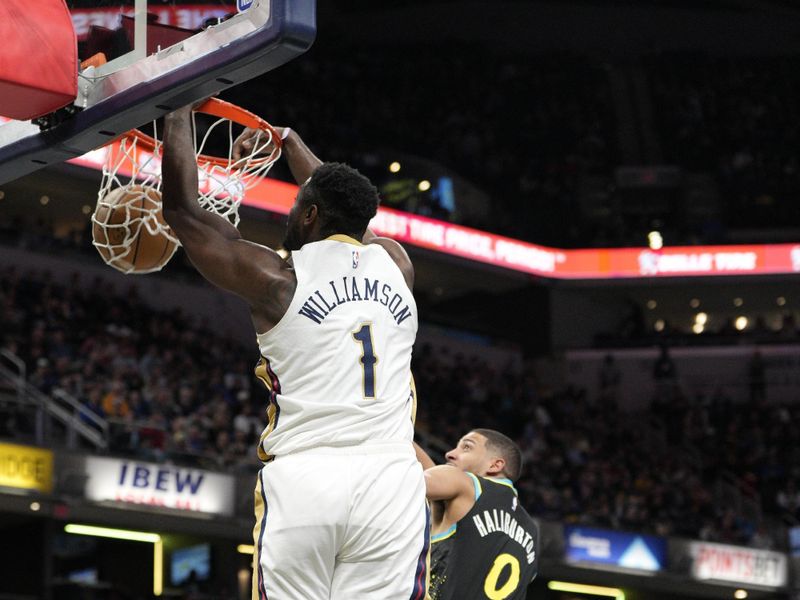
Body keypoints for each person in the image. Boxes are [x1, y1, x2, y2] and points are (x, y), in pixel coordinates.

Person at [161, 105, 429, 600]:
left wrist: (177, 108)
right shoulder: (396, 264)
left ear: (308, 215)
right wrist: (284, 139)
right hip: (393, 481)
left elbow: (181, 213)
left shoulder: (278, 281)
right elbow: (346, 210)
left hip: (310, 477)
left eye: (296, 205)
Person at [416, 429, 538, 600]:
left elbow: (410, 482)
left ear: (495, 465)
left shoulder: (469, 486)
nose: (450, 454)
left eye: (466, 447)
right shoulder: (532, 533)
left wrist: (384, 435)